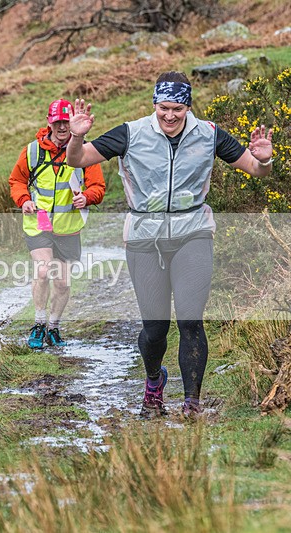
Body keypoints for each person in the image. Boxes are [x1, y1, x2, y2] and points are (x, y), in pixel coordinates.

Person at [66, 71, 274, 418]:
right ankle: (153, 380)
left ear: (188, 106)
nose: (170, 116)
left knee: (191, 320)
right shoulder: (131, 133)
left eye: (178, 108)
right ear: (154, 104)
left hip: (193, 232)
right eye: (164, 108)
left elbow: (255, 169)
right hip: (144, 238)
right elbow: (77, 160)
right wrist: (75, 137)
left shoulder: (208, 134)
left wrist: (265, 159)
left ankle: (192, 402)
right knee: (155, 327)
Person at [9, 99, 106, 349]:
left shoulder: (85, 151)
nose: (62, 127)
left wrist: (88, 197)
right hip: (38, 223)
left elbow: (98, 187)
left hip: (68, 227)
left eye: (66, 121)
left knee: (62, 282)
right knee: (43, 271)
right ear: (49, 122)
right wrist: (24, 200)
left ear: (72, 121)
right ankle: (39, 324)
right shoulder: (32, 151)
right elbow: (17, 181)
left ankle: (54, 327)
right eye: (57, 122)